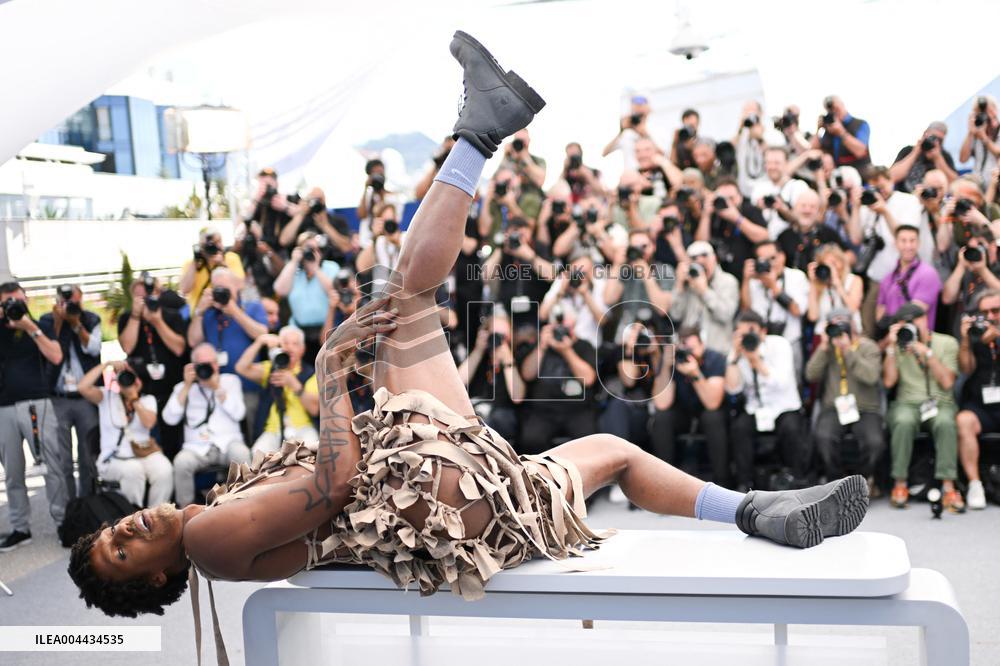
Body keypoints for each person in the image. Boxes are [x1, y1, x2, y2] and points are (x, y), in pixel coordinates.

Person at [68, 33, 868, 637]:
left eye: (112, 530)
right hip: (437, 498)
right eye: (122, 553)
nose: (129, 528)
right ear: (151, 583)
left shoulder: (212, 527)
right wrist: (329, 369)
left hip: (472, 507)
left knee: (612, 452)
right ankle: (480, 133)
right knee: (404, 301)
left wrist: (350, 373)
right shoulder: (207, 539)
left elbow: (332, 488)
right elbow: (338, 483)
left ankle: (756, 511)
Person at [0, 282, 69, 551]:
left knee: (52, 465)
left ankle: (63, 522)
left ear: (26, 299)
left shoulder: (41, 324)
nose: (14, 306)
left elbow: (55, 355)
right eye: (8, 303)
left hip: (37, 403)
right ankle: (20, 528)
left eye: (18, 300)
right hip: (4, 407)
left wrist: (29, 327)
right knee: (12, 472)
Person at [883, 302, 963, 512]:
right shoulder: (898, 345)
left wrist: (926, 353)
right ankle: (899, 484)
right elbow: (889, 382)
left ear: (925, 320)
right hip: (907, 402)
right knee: (902, 421)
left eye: (913, 321)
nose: (910, 327)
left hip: (940, 401)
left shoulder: (947, 343)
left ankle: (948, 486)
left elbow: (947, 382)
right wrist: (891, 348)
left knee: (946, 422)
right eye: (904, 323)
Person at [726, 310, 809, 491]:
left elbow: (782, 382)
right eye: (742, 333)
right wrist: (733, 359)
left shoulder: (780, 345)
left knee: (791, 428)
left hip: (784, 406)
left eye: (751, 331)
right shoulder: (737, 352)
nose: (747, 336)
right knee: (740, 428)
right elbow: (733, 389)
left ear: (763, 331)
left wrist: (757, 362)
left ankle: (796, 479)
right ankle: (744, 483)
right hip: (756, 408)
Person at [804, 309, 885, 491]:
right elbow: (811, 375)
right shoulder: (827, 350)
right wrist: (823, 348)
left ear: (853, 325)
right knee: (823, 437)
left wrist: (848, 350)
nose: (839, 330)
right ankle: (836, 482)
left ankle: (862, 481)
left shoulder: (868, 347)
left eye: (843, 323)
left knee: (874, 442)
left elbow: (871, 376)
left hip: (865, 408)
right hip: (833, 407)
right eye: (834, 325)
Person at [77, 360, 173, 509]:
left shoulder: (148, 400)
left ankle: (156, 516)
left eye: (131, 376)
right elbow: (82, 387)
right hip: (114, 459)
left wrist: (134, 399)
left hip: (144, 454)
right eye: (125, 377)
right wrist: (106, 365)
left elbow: (149, 423)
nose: (128, 381)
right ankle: (132, 516)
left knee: (164, 469)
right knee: (133, 470)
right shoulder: (106, 397)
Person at [163, 344, 250, 507]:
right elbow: (169, 418)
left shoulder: (230, 381)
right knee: (181, 462)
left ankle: (245, 503)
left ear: (217, 364)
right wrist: (187, 386)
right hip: (197, 448)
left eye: (210, 363)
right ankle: (186, 512)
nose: (207, 368)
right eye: (201, 365)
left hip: (228, 443)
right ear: (193, 367)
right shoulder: (183, 388)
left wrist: (217, 388)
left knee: (242, 453)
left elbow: (239, 413)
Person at [188, 267, 268, 443]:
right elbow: (193, 341)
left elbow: (262, 335)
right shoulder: (208, 312)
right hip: (216, 386)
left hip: (248, 385)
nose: (222, 292)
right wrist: (199, 311)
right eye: (217, 288)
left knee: (251, 434)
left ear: (236, 286)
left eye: (225, 287)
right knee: (223, 436)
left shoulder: (251, 306)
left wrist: (235, 311)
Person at [41, 284, 102, 500]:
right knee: (62, 458)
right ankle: (70, 507)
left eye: (75, 301)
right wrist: (59, 322)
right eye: (68, 302)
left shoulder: (90, 319)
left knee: (87, 455)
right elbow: (51, 350)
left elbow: (94, 348)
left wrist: (76, 325)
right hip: (59, 398)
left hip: (85, 397)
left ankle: (88, 502)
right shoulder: (48, 320)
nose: (72, 306)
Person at [117, 275, 188, 460]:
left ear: (158, 294)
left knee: (174, 441)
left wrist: (157, 321)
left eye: (148, 296)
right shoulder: (127, 318)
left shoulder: (171, 315)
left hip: (170, 389)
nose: (145, 301)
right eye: (139, 297)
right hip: (143, 391)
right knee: (149, 444)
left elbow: (179, 348)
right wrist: (135, 316)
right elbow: (127, 347)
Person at [650, 327, 730, 486]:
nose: (688, 354)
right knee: (661, 418)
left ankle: (723, 482)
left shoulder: (715, 358)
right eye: (684, 349)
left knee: (713, 418)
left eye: (692, 349)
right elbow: (661, 403)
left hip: (707, 412)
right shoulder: (672, 360)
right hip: (683, 413)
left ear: (702, 345)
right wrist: (666, 367)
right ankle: (664, 483)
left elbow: (713, 403)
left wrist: (695, 374)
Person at [235, 327, 319, 454]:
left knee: (312, 451)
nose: (289, 348)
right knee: (256, 456)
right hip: (273, 431)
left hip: (302, 428)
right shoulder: (270, 368)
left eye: (294, 344)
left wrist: (294, 384)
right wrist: (260, 342)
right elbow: (241, 368)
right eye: (285, 343)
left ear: (303, 349)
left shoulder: (311, 374)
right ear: (279, 346)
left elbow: (314, 410)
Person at [955, 289, 1000, 510]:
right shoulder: (975, 334)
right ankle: (975, 484)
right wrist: (965, 340)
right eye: (985, 312)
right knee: (964, 421)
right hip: (981, 403)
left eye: (996, 311)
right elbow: (966, 368)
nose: (990, 316)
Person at [741, 240, 809, 378]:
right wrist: (746, 280)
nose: (770, 264)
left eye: (773, 258)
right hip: (761, 344)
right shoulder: (754, 281)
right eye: (764, 260)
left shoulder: (796, 276)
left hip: (790, 341)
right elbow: (746, 311)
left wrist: (773, 286)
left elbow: (797, 310)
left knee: (793, 383)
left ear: (782, 256)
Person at [458, 310, 525, 443]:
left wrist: (507, 360)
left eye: (503, 335)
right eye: (494, 334)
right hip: (475, 409)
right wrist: (478, 350)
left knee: (494, 422)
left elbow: (517, 397)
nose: (498, 340)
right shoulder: (479, 355)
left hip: (502, 413)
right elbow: (458, 383)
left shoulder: (517, 356)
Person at [273, 232, 340, 363]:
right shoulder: (295, 271)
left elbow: (334, 291)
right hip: (299, 334)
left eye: (316, 249)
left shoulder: (330, 267)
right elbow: (279, 290)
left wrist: (316, 269)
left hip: (325, 331)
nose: (311, 252)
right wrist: (293, 261)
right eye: (308, 249)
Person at [670, 241, 740, 355]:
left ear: (715, 258)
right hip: (689, 351)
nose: (700, 260)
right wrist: (679, 285)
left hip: (718, 352)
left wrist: (704, 291)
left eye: (704, 255)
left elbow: (725, 315)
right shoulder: (686, 282)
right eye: (694, 258)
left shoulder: (728, 282)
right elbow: (675, 315)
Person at [695, 177, 768, 279]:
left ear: (740, 197)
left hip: (746, 274)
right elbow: (700, 245)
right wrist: (706, 216)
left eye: (731, 198)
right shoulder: (713, 213)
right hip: (718, 275)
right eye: (723, 198)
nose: (727, 202)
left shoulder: (749, 210)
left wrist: (736, 218)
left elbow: (764, 237)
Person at [876, 225, 943, 330]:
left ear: (918, 243)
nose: (908, 246)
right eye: (903, 241)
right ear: (896, 244)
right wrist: (886, 340)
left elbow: (914, 312)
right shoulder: (887, 279)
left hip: (918, 340)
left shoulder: (928, 273)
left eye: (912, 241)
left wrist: (889, 323)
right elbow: (879, 317)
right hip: (889, 340)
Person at [178, 228, 246, 311]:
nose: (216, 246)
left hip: (228, 311)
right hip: (201, 315)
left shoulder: (231, 258)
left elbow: (241, 285)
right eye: (212, 243)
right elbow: (184, 290)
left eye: (219, 241)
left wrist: (223, 264)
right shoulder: (191, 264)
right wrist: (195, 260)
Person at [806, 243, 863, 335]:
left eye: (833, 263)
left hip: (849, 335)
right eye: (826, 264)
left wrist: (838, 285)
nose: (831, 268)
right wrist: (813, 283)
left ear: (842, 262)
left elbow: (853, 309)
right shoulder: (818, 285)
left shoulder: (854, 280)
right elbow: (813, 317)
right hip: (824, 336)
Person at [889, 122, 958, 193]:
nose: (935, 142)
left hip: (931, 200)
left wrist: (938, 158)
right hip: (905, 197)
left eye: (940, 140)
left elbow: (954, 183)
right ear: (925, 134)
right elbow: (891, 177)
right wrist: (915, 153)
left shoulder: (944, 156)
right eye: (933, 137)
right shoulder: (908, 150)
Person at [811, 95, 871, 172]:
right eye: (830, 110)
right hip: (835, 176)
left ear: (842, 104)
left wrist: (841, 132)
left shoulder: (860, 124)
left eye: (836, 109)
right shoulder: (828, 129)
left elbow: (860, 151)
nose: (834, 112)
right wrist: (818, 129)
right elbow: (812, 151)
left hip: (859, 175)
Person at [958, 95, 999, 187]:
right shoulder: (976, 134)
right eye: (980, 113)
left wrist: (984, 137)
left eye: (987, 112)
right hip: (978, 183)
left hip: (996, 185)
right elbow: (963, 159)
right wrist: (970, 133)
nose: (984, 116)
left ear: (994, 111)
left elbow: (998, 152)